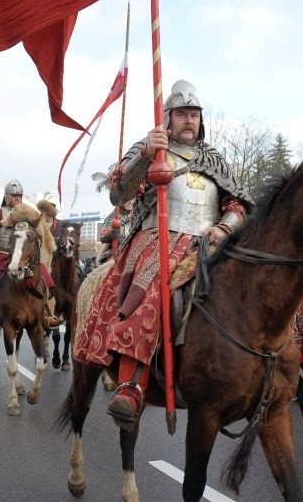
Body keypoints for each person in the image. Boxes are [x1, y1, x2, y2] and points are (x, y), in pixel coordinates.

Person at [73, 80, 253, 430]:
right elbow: (118, 192)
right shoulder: (150, 147)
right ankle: (131, 382)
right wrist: (144, 155)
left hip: (210, 241)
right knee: (154, 287)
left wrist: (225, 226)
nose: (189, 120)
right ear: (168, 118)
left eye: (195, 114)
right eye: (182, 114)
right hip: (158, 238)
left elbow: (237, 203)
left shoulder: (215, 159)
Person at [0, 180, 56, 334]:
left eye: (19, 195)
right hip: (1, 254)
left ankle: (49, 315)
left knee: (45, 278)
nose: (17, 198)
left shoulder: (30, 213)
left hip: (23, 256)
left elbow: (38, 234)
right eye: (14, 195)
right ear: (7, 196)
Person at [35, 196, 64, 329]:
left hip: (58, 257)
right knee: (46, 283)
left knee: (76, 272)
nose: (41, 213)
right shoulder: (37, 223)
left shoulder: (61, 224)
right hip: (40, 259)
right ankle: (49, 314)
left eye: (44, 211)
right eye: (41, 210)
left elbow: (66, 239)